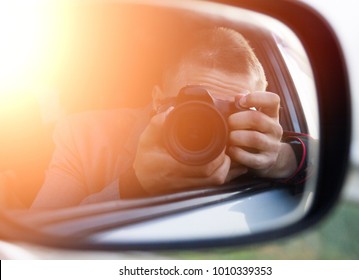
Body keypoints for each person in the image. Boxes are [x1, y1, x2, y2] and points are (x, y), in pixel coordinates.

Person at [31, 27, 309, 209]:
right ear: (155, 99)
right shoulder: (84, 136)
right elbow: (42, 229)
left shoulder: (256, 150)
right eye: (194, 107)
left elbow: (332, 160)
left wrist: (281, 159)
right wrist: (134, 186)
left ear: (258, 116)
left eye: (233, 112)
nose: (211, 127)